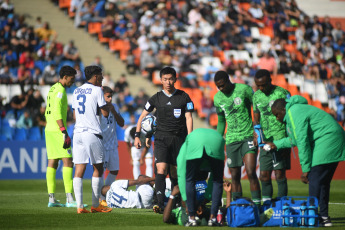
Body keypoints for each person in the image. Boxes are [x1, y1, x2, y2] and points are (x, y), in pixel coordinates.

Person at [265, 96, 345, 227]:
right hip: (335, 137)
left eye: (277, 114)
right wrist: (276, 144)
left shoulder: (293, 112)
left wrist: (306, 169)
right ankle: (323, 217)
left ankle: (311, 216)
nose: (277, 118)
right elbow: (294, 140)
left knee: (314, 178)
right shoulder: (295, 111)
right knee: (323, 182)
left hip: (327, 138)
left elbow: (302, 142)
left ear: (283, 109)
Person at [134, 66, 194, 213]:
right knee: (161, 169)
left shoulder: (183, 96)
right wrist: (138, 136)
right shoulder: (156, 98)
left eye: (170, 79)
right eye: (165, 79)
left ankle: (176, 201)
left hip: (179, 138)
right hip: (161, 138)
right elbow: (142, 117)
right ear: (161, 80)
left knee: (175, 172)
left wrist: (190, 137)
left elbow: (189, 117)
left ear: (175, 79)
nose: (168, 82)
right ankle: (159, 204)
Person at [213, 70, 261, 206]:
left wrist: (257, 129)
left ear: (229, 80)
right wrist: (218, 139)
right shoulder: (217, 98)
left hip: (248, 136)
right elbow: (221, 120)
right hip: (231, 140)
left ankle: (257, 207)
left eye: (222, 85)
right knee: (234, 176)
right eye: (218, 86)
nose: (221, 89)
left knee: (251, 172)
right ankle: (237, 207)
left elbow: (256, 107)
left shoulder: (244, 89)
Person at [72, 65, 112, 214]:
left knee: (79, 169)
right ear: (95, 76)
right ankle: (96, 205)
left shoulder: (76, 90)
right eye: (101, 75)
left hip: (78, 133)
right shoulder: (97, 90)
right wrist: (108, 106)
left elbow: (75, 115)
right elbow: (105, 113)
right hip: (92, 133)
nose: (102, 78)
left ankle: (80, 206)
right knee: (98, 168)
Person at [253, 69, 291, 203]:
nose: (261, 88)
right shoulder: (256, 96)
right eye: (258, 85)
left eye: (264, 84)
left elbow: (290, 115)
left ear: (270, 80)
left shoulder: (282, 93)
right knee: (263, 175)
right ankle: (267, 205)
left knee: (279, 174)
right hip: (265, 140)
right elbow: (256, 118)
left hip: (280, 139)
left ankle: (282, 204)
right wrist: (257, 135)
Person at [176, 128, 225, 226]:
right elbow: (214, 181)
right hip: (217, 140)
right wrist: (206, 198)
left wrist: (186, 200)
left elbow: (182, 176)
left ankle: (192, 219)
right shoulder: (187, 145)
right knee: (217, 181)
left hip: (196, 141)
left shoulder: (185, 147)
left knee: (189, 179)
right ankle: (213, 219)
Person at [44, 66, 76, 207]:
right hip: (58, 130)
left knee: (53, 162)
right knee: (68, 161)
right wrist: (63, 131)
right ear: (65, 77)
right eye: (71, 78)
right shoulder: (61, 91)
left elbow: (48, 111)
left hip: (49, 128)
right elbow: (57, 112)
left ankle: (51, 199)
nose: (73, 81)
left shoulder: (52, 89)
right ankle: (69, 199)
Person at [99, 86, 124, 206]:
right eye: (107, 96)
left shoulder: (115, 107)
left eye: (111, 96)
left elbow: (122, 123)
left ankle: (104, 193)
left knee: (114, 170)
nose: (109, 99)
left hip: (113, 143)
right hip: (101, 144)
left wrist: (114, 111)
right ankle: (99, 198)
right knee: (100, 172)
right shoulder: (97, 108)